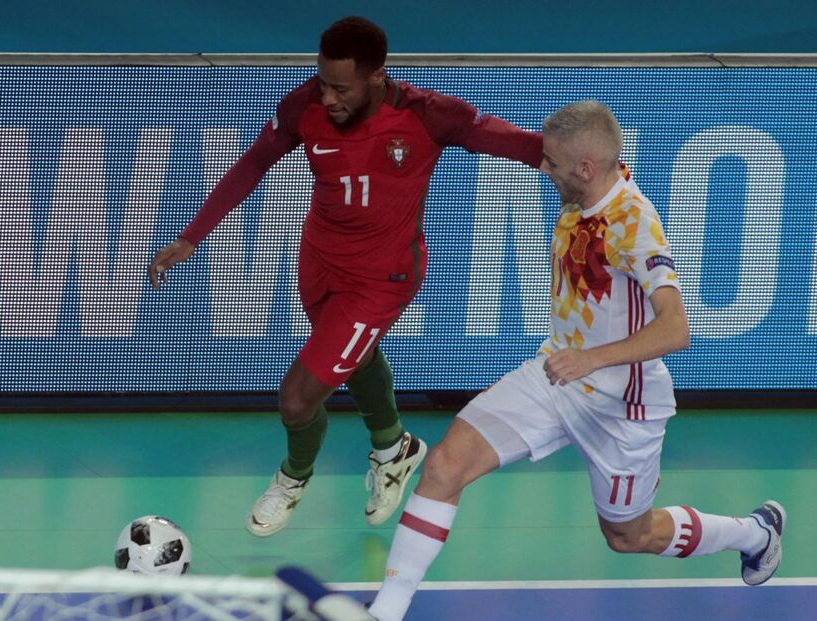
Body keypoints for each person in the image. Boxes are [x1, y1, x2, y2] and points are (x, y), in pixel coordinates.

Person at [368, 100, 786, 620]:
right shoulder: (586, 189)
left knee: (629, 536)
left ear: (585, 169)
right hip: (554, 375)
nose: (543, 168)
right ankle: (385, 611)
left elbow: (676, 329)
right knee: (445, 463)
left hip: (622, 403)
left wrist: (592, 360)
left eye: (553, 163)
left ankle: (754, 532)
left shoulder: (635, 225)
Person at [146, 16, 544, 537]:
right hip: (319, 262)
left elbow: (513, 142)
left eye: (341, 87)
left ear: (378, 76)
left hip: (381, 278)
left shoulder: (428, 115)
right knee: (355, 357)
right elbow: (252, 163)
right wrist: (191, 236)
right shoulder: (304, 106)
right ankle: (393, 447)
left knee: (297, 397)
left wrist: (587, 167)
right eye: (322, 81)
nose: (328, 97)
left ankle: (292, 477)